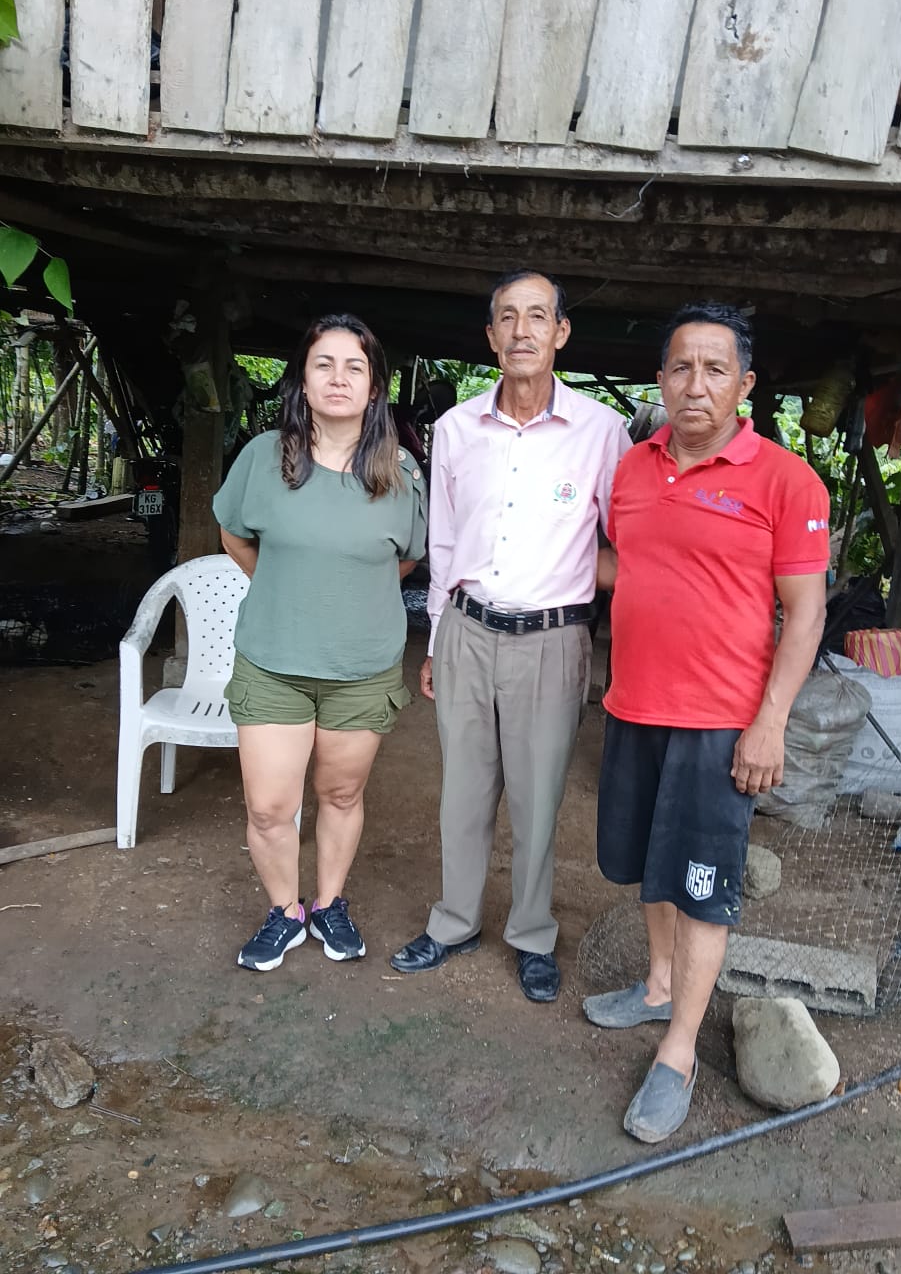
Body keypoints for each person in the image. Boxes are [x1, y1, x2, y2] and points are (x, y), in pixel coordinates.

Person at [585, 302, 829, 1142]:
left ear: (744, 385)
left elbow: (805, 614)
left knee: (701, 889)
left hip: (719, 724)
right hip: (633, 707)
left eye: (715, 369)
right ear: (661, 379)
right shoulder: (633, 468)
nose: (696, 384)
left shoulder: (785, 481)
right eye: (681, 367)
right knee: (646, 867)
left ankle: (680, 1050)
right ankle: (658, 986)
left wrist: (771, 723)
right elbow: (626, 562)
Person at [391, 269, 632, 1002]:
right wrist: (436, 637)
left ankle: (531, 935)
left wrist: (579, 581)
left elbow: (628, 543)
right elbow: (443, 540)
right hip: (466, 630)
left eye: (537, 316)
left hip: (552, 641)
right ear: (491, 336)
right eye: (507, 317)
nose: (522, 330)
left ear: (560, 332)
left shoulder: (601, 431)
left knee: (536, 797)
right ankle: (455, 921)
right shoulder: (457, 429)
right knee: (462, 793)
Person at [213, 314, 427, 972]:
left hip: (361, 668)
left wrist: (344, 595)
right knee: (269, 806)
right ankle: (285, 912)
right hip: (273, 661)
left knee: (340, 795)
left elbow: (406, 560)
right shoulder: (263, 457)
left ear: (374, 386)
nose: (339, 378)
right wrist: (288, 588)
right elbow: (234, 536)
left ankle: (330, 902)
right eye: (323, 364)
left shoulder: (401, 471)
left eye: (354, 367)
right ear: (302, 381)